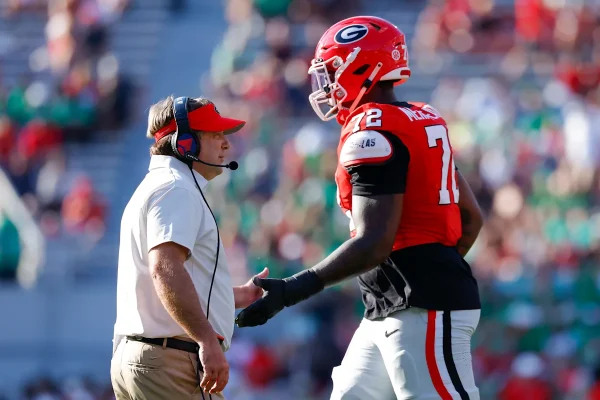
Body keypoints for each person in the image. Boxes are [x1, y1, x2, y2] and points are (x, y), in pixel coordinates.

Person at [235, 16, 484, 400]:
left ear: (360, 66)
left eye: (331, 72)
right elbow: (471, 218)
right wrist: (436, 264)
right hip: (391, 303)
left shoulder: (372, 130)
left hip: (421, 305)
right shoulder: (421, 118)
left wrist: (293, 289)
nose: (326, 85)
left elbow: (374, 242)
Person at [111, 95, 268, 400]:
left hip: (144, 358)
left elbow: (164, 280)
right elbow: (164, 269)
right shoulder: (176, 187)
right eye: (215, 135)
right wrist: (207, 340)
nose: (226, 144)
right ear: (185, 143)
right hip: (171, 361)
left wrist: (237, 295)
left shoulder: (159, 185)